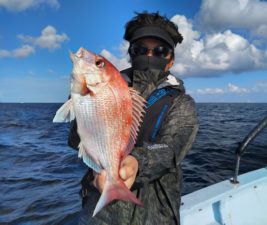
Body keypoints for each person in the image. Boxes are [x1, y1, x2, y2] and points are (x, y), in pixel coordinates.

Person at [68, 11, 199, 225]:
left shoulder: (181, 103)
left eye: (160, 50)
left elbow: (171, 147)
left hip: (157, 215)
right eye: (140, 49)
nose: (149, 55)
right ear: (130, 53)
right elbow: (75, 142)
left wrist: (136, 161)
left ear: (171, 61)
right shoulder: (110, 86)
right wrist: (81, 105)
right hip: (100, 212)